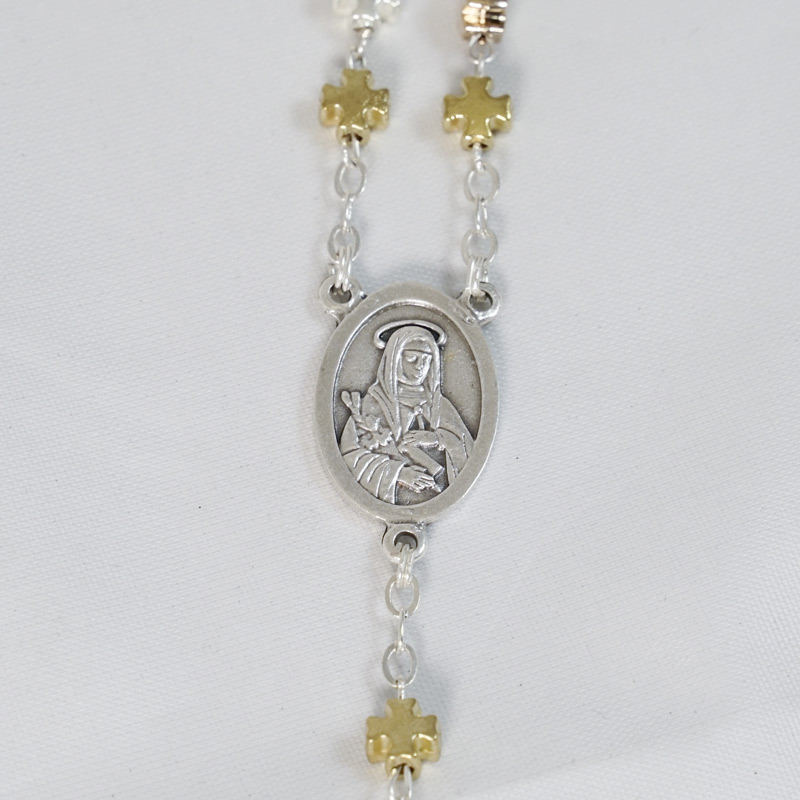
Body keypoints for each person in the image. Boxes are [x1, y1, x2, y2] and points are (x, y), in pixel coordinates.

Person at [339, 324, 473, 504]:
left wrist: (437, 439)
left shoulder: (439, 406)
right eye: (411, 358)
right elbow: (349, 457)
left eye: (426, 360)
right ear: (394, 360)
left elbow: (466, 449)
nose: (420, 366)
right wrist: (399, 473)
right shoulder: (370, 405)